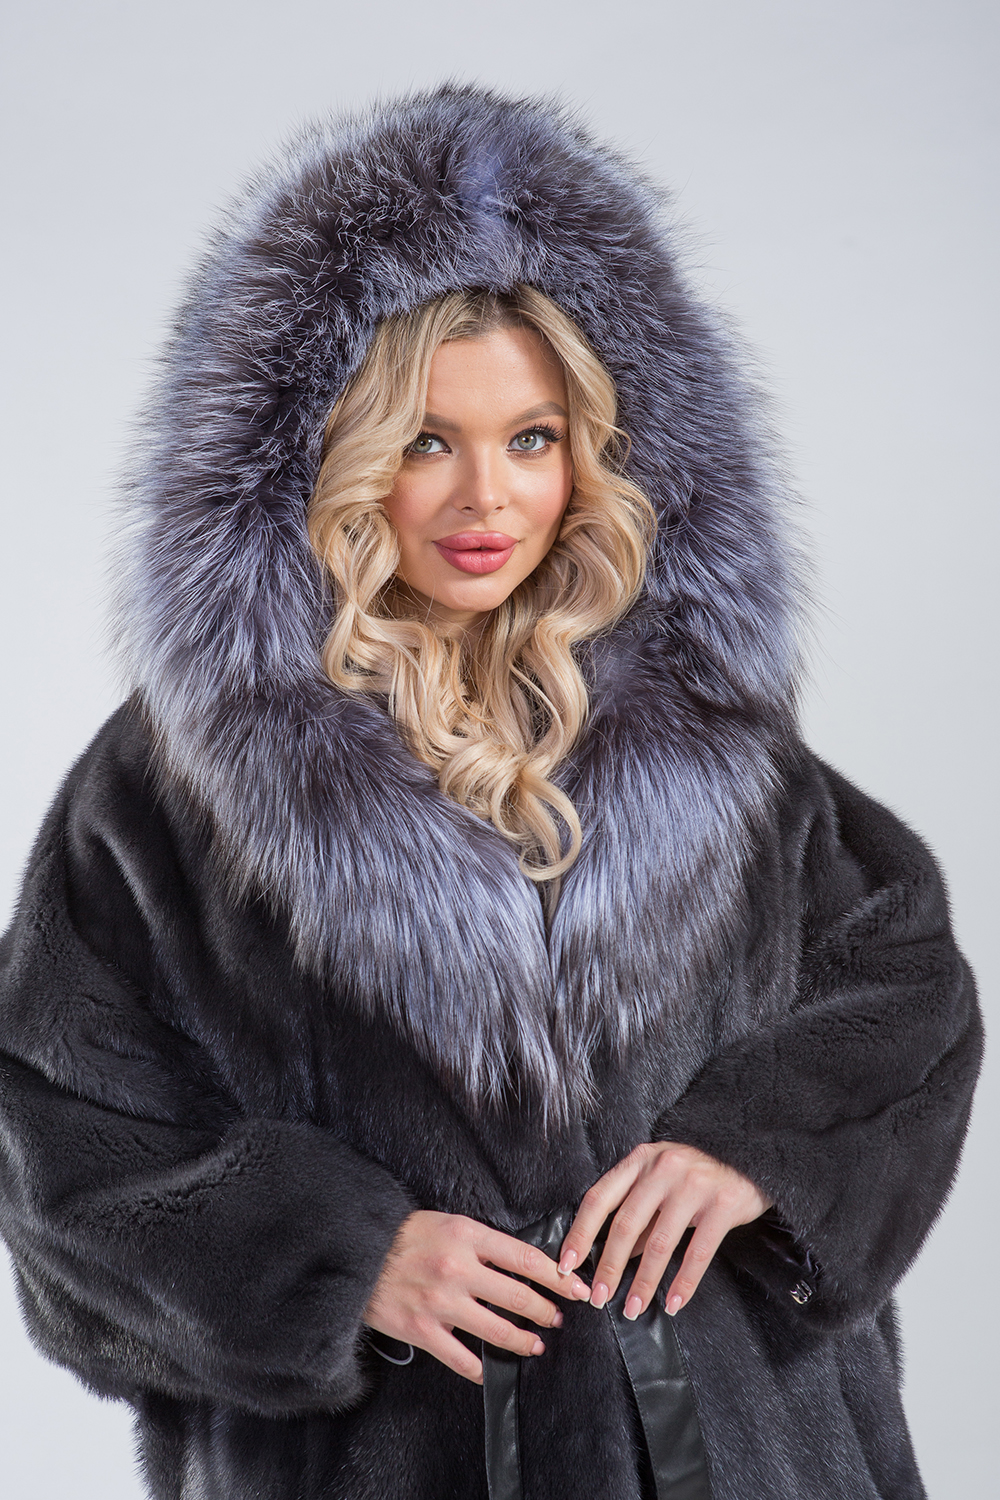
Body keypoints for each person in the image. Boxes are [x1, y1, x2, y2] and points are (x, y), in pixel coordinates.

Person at [0, 84, 981, 1500]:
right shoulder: (182, 784)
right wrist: (342, 1261)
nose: (487, 498)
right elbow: (60, 1141)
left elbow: (902, 979)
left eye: (531, 436)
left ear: (595, 451)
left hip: (742, 1446)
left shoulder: (701, 734)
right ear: (329, 462)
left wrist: (757, 1147)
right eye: (423, 440)